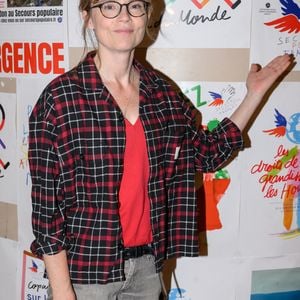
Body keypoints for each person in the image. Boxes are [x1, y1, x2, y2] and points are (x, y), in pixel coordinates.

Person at [28, 0, 294, 299]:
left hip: (147, 269)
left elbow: (207, 153)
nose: (124, 17)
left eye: (135, 6)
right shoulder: (61, 99)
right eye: (110, 6)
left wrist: (253, 95)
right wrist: (63, 291)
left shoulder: (163, 94)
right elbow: (46, 210)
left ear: (147, 16)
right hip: (82, 275)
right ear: (88, 17)